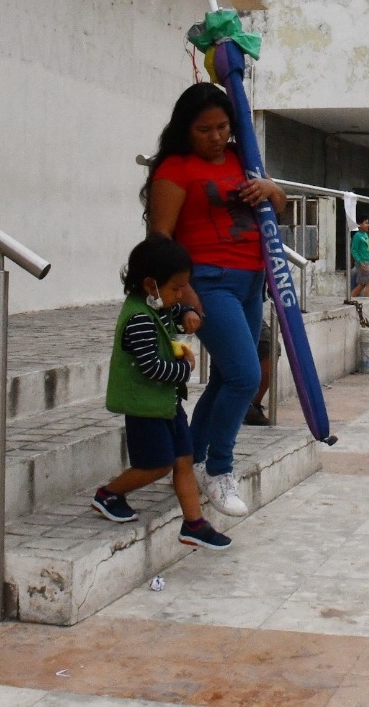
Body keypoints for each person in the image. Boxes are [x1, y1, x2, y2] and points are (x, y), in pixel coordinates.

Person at [144, 82, 286, 518]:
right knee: (245, 376)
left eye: (222, 126)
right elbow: (160, 237)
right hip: (207, 281)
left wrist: (270, 189)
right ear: (187, 129)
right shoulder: (175, 168)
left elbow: (279, 208)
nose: (215, 136)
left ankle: (190, 456)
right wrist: (183, 291)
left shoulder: (244, 160)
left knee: (229, 377)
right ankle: (219, 470)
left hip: (250, 279)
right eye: (204, 128)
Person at [89, 236, 231, 549]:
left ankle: (194, 524)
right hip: (145, 408)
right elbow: (151, 366)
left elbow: (170, 312)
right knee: (157, 465)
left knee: (184, 460)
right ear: (151, 284)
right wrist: (185, 370)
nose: (181, 294)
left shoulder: (154, 304)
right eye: (176, 288)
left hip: (166, 404)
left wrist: (184, 313)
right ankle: (108, 493)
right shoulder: (138, 318)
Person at [349, 217, 369, 298]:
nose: (368, 225)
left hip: (367, 261)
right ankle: (366, 301)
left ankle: (351, 297)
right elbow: (354, 250)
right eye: (366, 223)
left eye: (368, 223)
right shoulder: (357, 236)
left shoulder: (365, 235)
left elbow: (367, 251)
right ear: (359, 224)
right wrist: (360, 262)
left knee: (362, 284)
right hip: (362, 262)